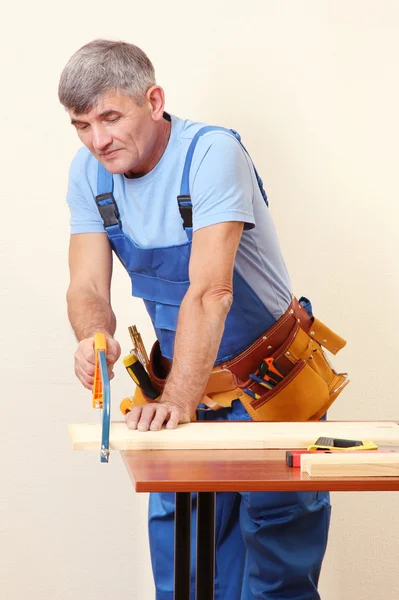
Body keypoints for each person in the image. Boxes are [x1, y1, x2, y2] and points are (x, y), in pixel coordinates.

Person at [59, 39, 345, 600]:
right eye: (81, 125)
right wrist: (95, 339)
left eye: (111, 118)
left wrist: (178, 402)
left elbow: (211, 291)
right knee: (187, 570)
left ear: (154, 100)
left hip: (269, 388)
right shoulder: (90, 175)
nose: (98, 140)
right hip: (181, 390)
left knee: (274, 574)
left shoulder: (212, 154)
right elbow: (88, 284)